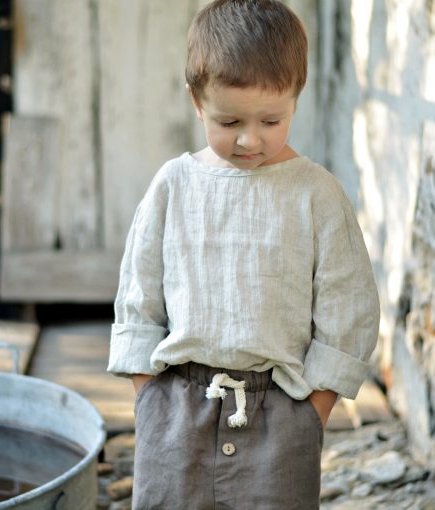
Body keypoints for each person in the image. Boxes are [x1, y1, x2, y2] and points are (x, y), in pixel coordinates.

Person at [107, 1, 380, 508]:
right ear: (196, 100)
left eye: (271, 120)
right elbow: (138, 296)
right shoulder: (174, 185)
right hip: (177, 412)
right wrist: (150, 400)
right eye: (229, 119)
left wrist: (310, 416)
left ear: (296, 98)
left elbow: (348, 308)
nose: (250, 138)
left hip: (282, 414)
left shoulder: (316, 193)